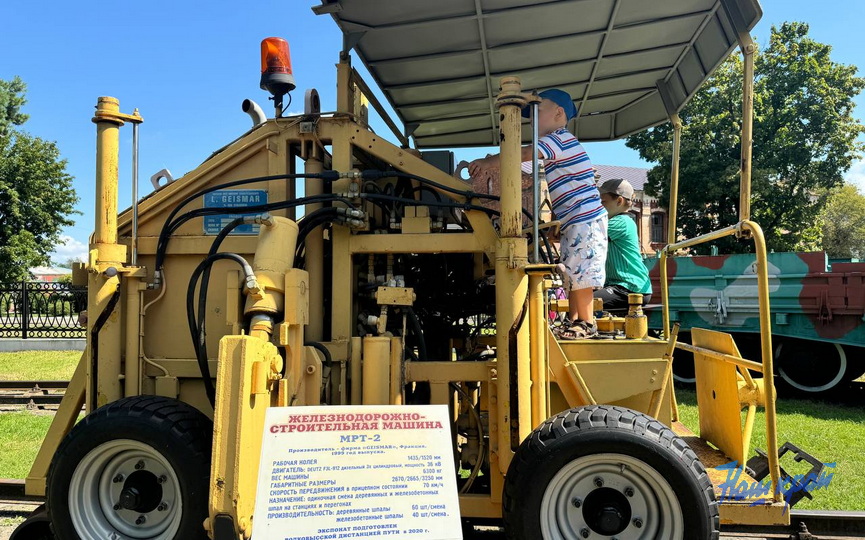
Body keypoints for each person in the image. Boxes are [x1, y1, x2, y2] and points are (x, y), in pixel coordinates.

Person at [469, 89, 606, 339]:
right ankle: (574, 319)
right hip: (573, 218)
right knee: (572, 270)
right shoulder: (557, 142)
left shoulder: (561, 138)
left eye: (537, 111)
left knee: (582, 271)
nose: (532, 119)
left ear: (558, 113)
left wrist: (489, 162)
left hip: (585, 218)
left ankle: (586, 321)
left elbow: (523, 154)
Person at [594, 178, 652, 310]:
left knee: (584, 303)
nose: (599, 206)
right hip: (619, 285)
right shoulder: (613, 221)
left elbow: (589, 234)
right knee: (580, 297)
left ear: (619, 201)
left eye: (603, 202)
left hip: (630, 286)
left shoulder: (621, 222)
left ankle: (582, 327)